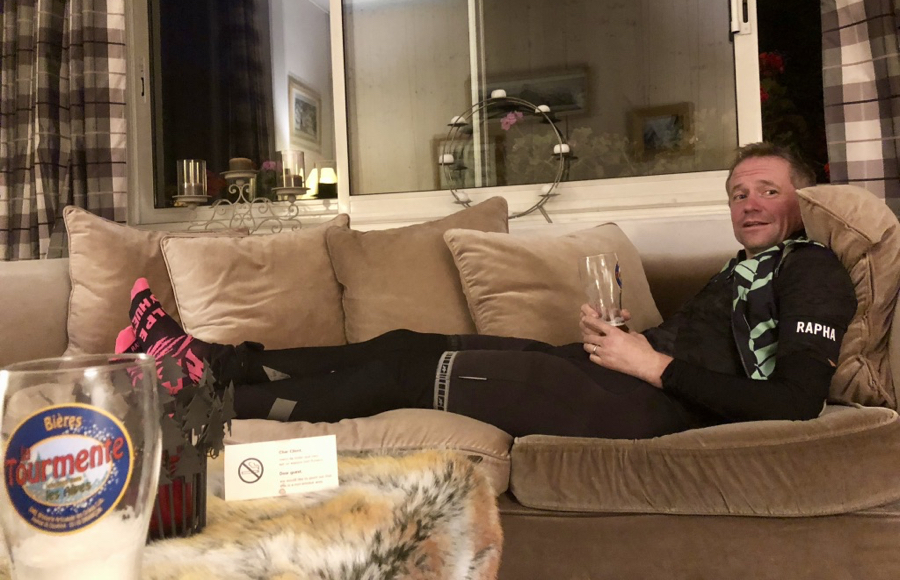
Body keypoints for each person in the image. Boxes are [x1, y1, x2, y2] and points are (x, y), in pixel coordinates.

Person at [116, 142, 857, 440]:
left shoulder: (812, 268)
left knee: (405, 375)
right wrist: (629, 339)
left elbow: (796, 401)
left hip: (649, 407)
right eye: (738, 192)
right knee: (403, 342)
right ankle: (210, 357)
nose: (749, 204)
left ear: (805, 199)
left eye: (768, 190)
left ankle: (196, 401)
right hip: (617, 374)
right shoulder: (743, 269)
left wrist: (652, 364)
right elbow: (709, 345)